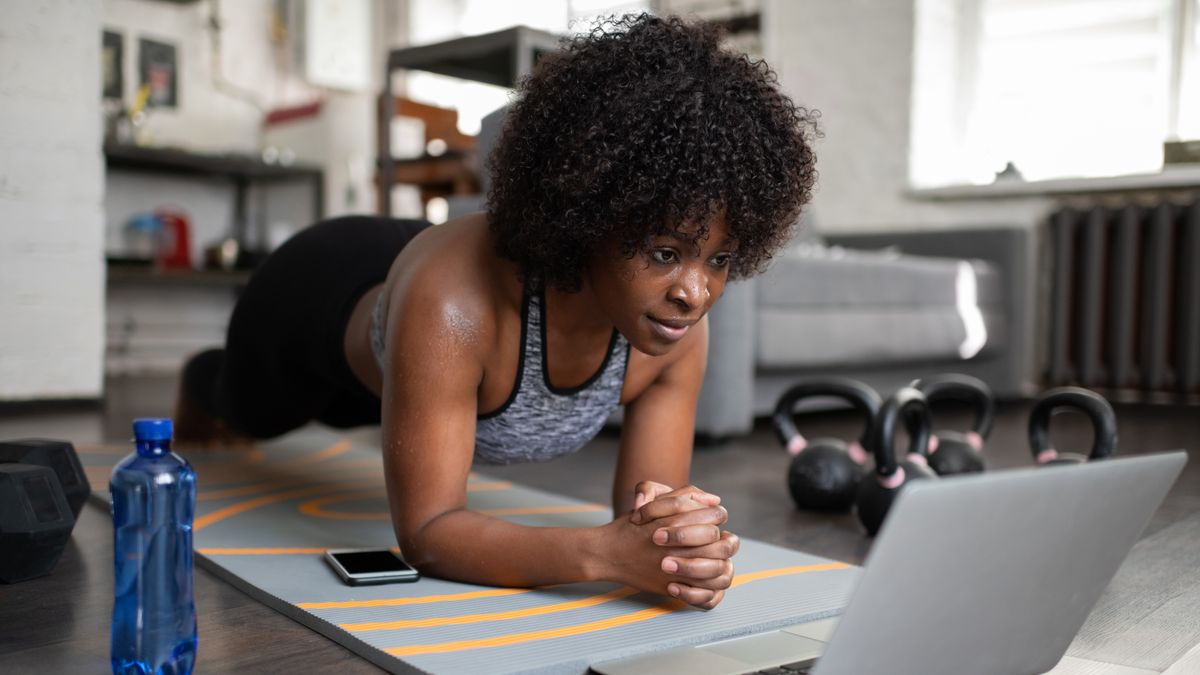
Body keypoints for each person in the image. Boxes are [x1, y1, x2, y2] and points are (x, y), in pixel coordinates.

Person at [175, 13, 818, 610]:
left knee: (382, 415)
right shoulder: (455, 303)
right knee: (250, 414)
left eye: (719, 260)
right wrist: (602, 555)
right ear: (589, 216)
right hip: (314, 293)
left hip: (421, 341)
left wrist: (678, 550)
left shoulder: (677, 326)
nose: (694, 292)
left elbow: (646, 514)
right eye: (664, 252)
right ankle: (201, 378)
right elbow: (428, 532)